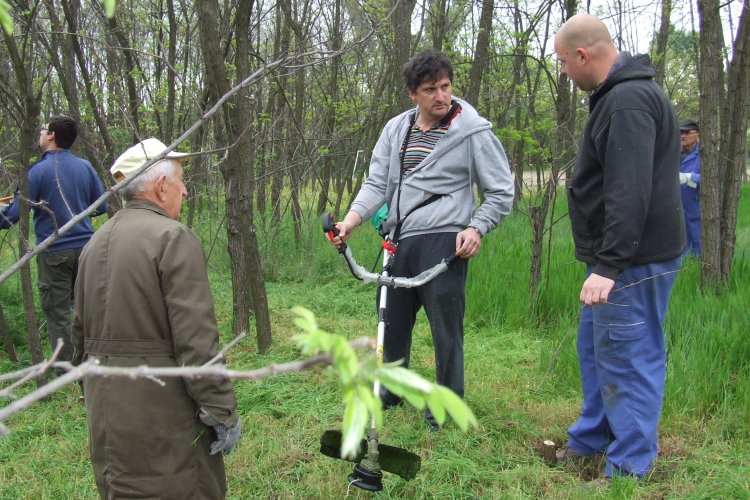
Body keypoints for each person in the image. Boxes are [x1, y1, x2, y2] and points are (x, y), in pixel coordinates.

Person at [327, 49, 514, 430]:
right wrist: (350, 220)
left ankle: (445, 407)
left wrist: (476, 228)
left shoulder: (474, 131)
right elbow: (377, 183)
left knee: (446, 329)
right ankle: (391, 393)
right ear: (412, 93)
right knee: (390, 324)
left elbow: (500, 191)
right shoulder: (396, 129)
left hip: (445, 240)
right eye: (430, 89)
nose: (441, 96)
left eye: (445, 87)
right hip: (398, 239)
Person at [553, 15, 686, 483]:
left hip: (631, 261)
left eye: (564, 62)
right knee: (598, 348)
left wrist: (609, 264)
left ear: (583, 56)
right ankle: (593, 436)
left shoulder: (627, 101)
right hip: (619, 259)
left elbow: (630, 191)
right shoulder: (619, 96)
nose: (564, 71)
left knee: (628, 356)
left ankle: (628, 467)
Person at [72, 138, 241, 500]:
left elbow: (77, 342)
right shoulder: (173, 238)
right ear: (161, 187)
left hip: (107, 418)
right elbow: (197, 342)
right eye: (181, 181)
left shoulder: (93, 244)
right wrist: (221, 411)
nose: (184, 190)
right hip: (167, 419)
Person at [0, 116, 107, 371]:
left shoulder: (36, 170)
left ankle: (65, 370)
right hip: (86, 249)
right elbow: (101, 206)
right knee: (87, 306)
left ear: (51, 136)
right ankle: (95, 359)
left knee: (58, 311)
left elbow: (15, 215)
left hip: (54, 252)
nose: (39, 132)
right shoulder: (85, 166)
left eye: (43, 129)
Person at [679, 119, 701, 256]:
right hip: (676, 204)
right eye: (681, 132)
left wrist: (690, 178)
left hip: (695, 205)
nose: (683, 136)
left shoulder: (705, 153)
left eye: (687, 133)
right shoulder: (674, 152)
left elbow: (713, 178)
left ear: (697, 135)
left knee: (697, 243)